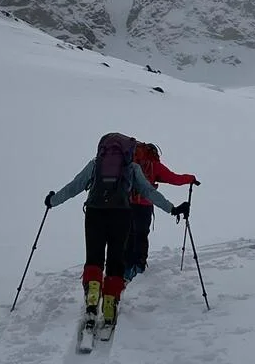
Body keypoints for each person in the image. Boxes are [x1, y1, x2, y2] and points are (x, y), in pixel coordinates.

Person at [44, 132, 190, 325]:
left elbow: (74, 187)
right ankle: (110, 303)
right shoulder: (133, 168)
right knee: (116, 260)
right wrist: (172, 209)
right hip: (122, 214)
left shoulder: (95, 165)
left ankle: (93, 295)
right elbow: (149, 191)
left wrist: (53, 201)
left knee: (94, 257)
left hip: (95, 213)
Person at [125, 142, 199, 281]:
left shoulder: (131, 164)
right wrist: (191, 178)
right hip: (144, 205)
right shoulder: (155, 166)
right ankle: (139, 266)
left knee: (127, 235)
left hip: (126, 204)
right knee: (141, 235)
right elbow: (174, 178)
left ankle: (126, 267)